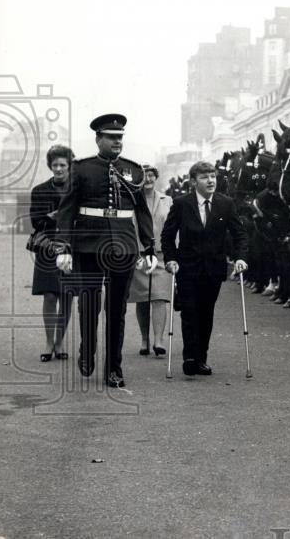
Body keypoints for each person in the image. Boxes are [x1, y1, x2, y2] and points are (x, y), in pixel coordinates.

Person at [54, 114, 155, 388]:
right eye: (111, 137)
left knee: (116, 309)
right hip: (88, 245)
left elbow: (142, 212)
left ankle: (114, 368)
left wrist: (149, 247)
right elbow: (67, 210)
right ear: (98, 138)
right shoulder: (82, 168)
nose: (117, 142)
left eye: (120, 137)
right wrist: (63, 246)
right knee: (89, 303)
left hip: (123, 245)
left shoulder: (133, 170)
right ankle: (87, 350)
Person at [161, 161, 248, 376]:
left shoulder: (225, 203)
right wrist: (170, 259)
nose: (210, 181)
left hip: (213, 269)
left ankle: (201, 357)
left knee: (206, 314)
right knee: (189, 312)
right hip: (187, 268)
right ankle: (190, 357)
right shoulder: (182, 203)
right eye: (204, 177)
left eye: (213, 176)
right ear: (193, 182)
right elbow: (167, 235)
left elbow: (240, 234)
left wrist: (240, 258)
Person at [29, 145, 75, 362]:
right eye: (55, 165)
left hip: (71, 247)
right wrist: (55, 216)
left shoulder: (78, 189)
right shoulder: (39, 190)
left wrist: (59, 217)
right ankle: (49, 342)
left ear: (69, 166)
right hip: (47, 247)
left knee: (66, 295)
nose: (58, 169)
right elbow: (35, 220)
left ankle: (60, 341)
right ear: (50, 166)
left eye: (62, 165)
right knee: (49, 294)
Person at [127, 165, 173, 356]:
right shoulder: (130, 201)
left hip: (162, 255)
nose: (148, 179)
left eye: (152, 175)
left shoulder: (167, 200)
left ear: (156, 178)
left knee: (159, 297)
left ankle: (158, 341)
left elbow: (172, 228)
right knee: (142, 299)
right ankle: (144, 340)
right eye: (144, 176)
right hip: (140, 254)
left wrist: (174, 254)